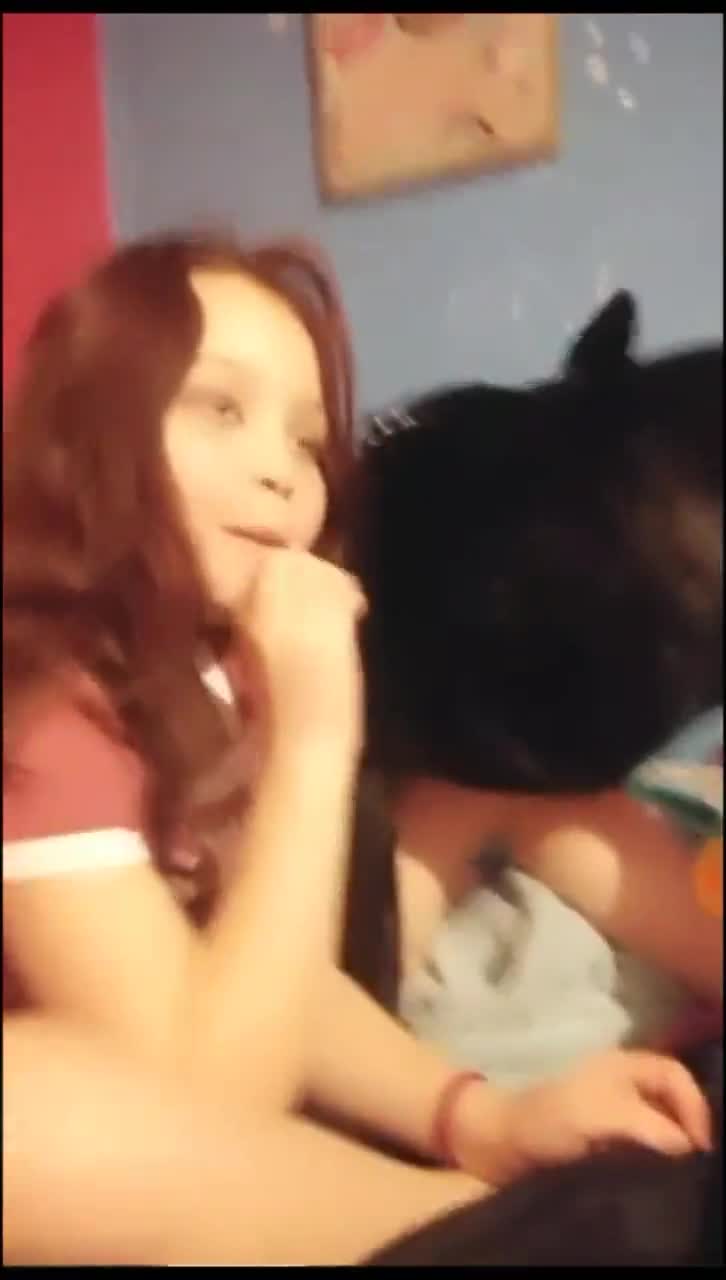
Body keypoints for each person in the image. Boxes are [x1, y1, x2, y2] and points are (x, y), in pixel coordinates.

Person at [1, 233, 713, 1265]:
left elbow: (269, 981)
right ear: (90, 442)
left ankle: (500, 1212)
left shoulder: (203, 671)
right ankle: (507, 1224)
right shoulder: (46, 720)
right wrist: (315, 738)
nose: (280, 471)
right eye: (222, 409)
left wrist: (477, 1117)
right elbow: (204, 1111)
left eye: (306, 441)